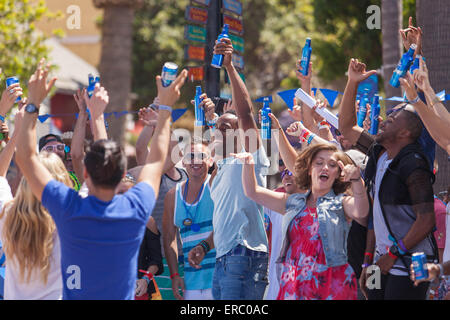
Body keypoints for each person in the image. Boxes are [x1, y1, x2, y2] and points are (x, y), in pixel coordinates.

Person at [14, 58, 188, 299]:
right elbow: (157, 160)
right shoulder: (136, 207)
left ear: (85, 173)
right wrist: (166, 109)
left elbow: (25, 158)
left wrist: (33, 104)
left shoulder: (68, 207)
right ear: (122, 178)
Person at [339, 58, 437, 300]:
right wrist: (368, 262)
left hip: (409, 265)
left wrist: (392, 255)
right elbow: (347, 126)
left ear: (405, 133)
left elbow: (426, 221)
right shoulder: (379, 153)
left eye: (391, 120)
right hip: (379, 262)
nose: (383, 121)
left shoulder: (413, 163)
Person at [187, 38, 270, 300]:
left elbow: (244, 114)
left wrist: (230, 68)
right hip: (222, 257)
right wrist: (204, 245)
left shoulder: (250, 158)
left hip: (243, 255)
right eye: (216, 128)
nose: (216, 132)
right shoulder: (220, 171)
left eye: (225, 128)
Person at [233, 143, 369, 300]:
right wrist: (249, 163)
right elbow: (252, 191)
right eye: (319, 163)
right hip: (294, 285)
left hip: (329, 286)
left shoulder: (341, 203)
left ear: (338, 173)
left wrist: (357, 181)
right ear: (309, 170)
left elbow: (362, 211)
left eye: (332, 165)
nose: (324, 167)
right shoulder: (294, 202)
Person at [163, 141, 215, 300]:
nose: (195, 161)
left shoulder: (217, 184)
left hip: (220, 278)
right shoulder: (173, 195)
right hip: (190, 283)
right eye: (190, 156)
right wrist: (174, 274)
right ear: (183, 161)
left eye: (201, 156)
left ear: (211, 161)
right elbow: (169, 237)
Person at [263, 167, 305, 300]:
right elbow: (251, 191)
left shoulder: (318, 200)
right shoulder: (275, 198)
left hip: (306, 281)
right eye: (283, 173)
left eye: (290, 172)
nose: (285, 177)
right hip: (277, 283)